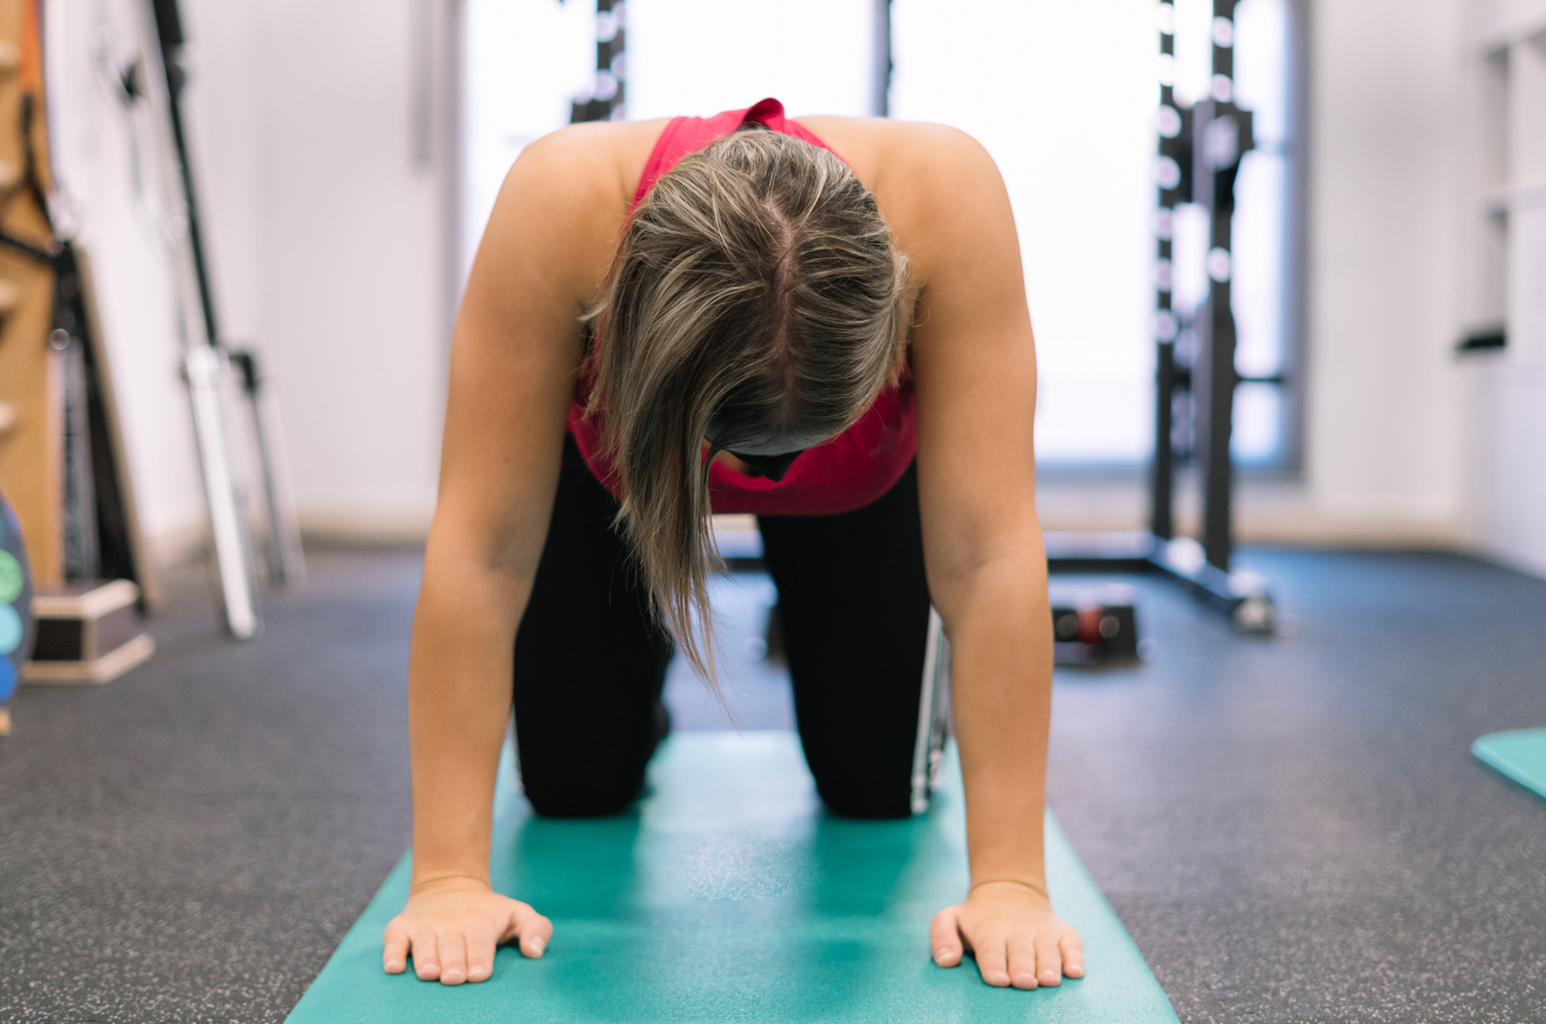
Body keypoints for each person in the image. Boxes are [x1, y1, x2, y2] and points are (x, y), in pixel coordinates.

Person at [383, 99, 1078, 991]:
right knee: (576, 787)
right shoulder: (560, 204)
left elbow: (989, 556)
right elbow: (483, 549)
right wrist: (447, 880)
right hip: (615, 479)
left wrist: (1012, 885)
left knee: (873, 791)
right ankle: (632, 689)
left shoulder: (947, 197)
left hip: (863, 491)